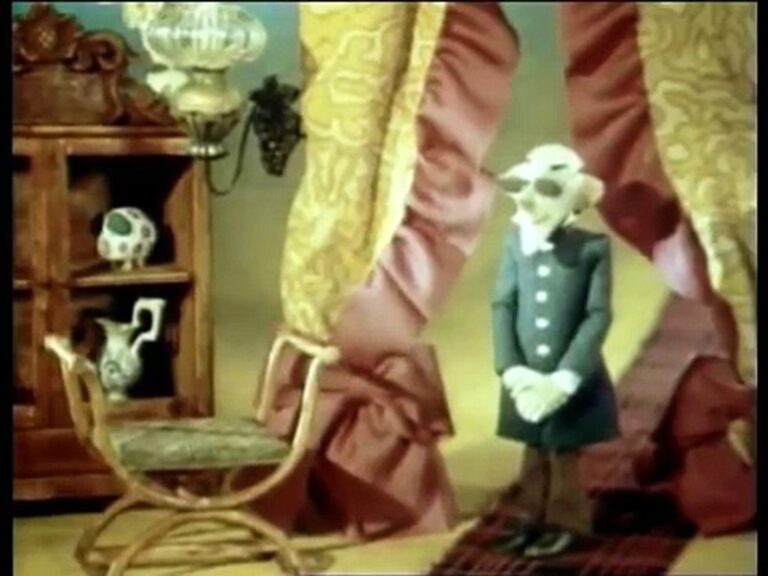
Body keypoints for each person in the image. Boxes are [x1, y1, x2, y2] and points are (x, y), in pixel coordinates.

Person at [491, 144, 618, 558]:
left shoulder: (592, 247)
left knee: (563, 451)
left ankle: (567, 521)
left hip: (569, 374)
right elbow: (503, 304)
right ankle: (530, 515)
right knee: (533, 449)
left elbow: (597, 314)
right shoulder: (515, 241)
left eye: (546, 190)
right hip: (526, 371)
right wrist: (510, 367)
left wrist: (568, 376)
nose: (530, 201)